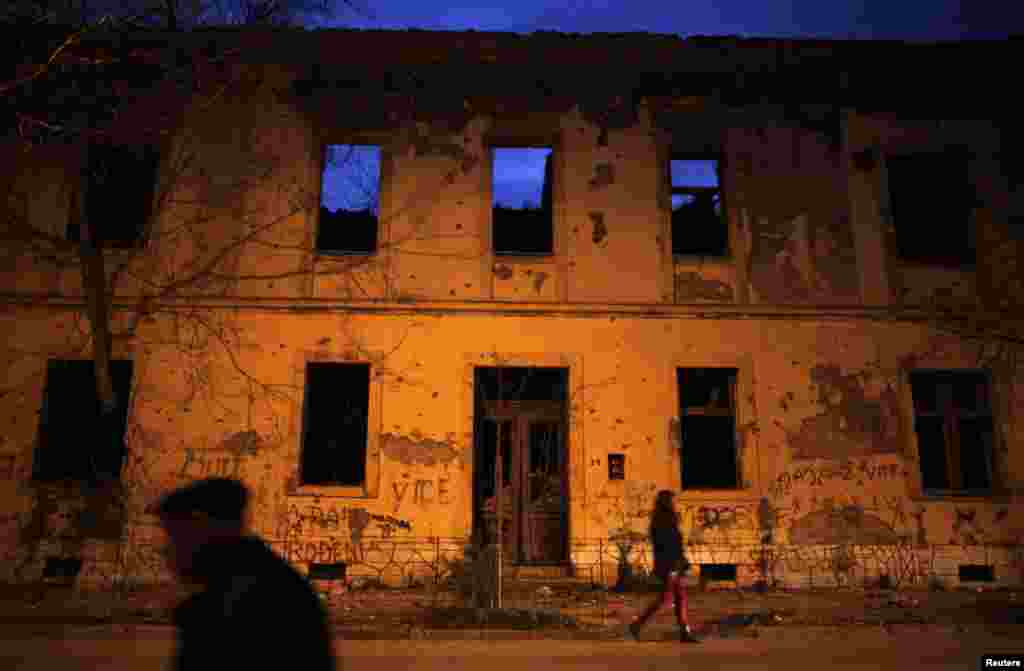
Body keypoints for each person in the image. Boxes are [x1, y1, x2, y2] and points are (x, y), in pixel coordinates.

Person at [154, 477, 336, 671]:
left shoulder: (245, 606)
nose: (166, 550)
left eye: (175, 537)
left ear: (202, 528)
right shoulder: (248, 586)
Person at [626, 489, 700, 643]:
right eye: (673, 501)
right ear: (667, 503)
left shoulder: (667, 520)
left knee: (679, 597)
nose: (676, 504)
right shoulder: (662, 521)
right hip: (669, 565)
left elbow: (673, 545)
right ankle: (637, 625)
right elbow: (666, 546)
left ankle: (684, 632)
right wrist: (673, 566)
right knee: (666, 599)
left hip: (673, 564)